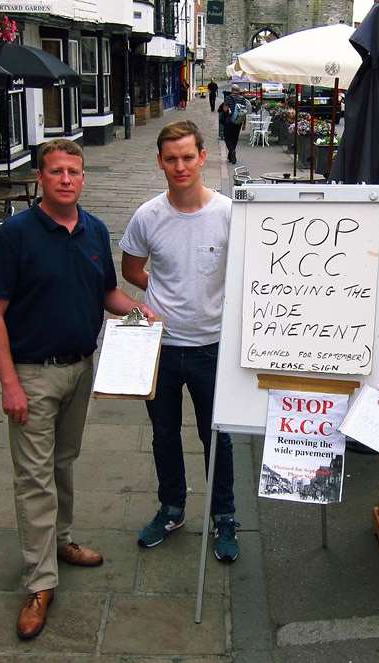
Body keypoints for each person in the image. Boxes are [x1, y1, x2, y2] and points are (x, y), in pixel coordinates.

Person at [0, 139, 156, 640]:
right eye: (56, 171)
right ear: (41, 177)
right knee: (33, 477)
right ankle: (39, 583)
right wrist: (9, 383)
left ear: (83, 178)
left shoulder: (95, 229)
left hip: (81, 368)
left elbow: (107, 293)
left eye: (74, 172)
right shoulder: (15, 234)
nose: (66, 180)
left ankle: (61, 540)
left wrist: (141, 311)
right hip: (32, 374)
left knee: (62, 462)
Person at [119, 120, 240, 562]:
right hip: (162, 347)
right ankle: (171, 507)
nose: (180, 166)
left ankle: (224, 514)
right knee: (164, 433)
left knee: (218, 437)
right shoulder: (148, 215)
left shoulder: (229, 213)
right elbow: (131, 269)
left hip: (212, 346)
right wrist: (165, 290)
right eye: (171, 159)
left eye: (188, 156)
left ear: (203, 157)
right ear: (160, 163)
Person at [220, 84, 248, 164]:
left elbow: (225, 109)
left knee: (227, 138)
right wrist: (244, 124)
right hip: (238, 122)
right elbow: (244, 112)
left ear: (232, 90)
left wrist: (227, 108)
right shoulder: (243, 99)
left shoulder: (228, 98)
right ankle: (231, 155)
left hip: (229, 121)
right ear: (239, 91)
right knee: (235, 138)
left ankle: (232, 151)